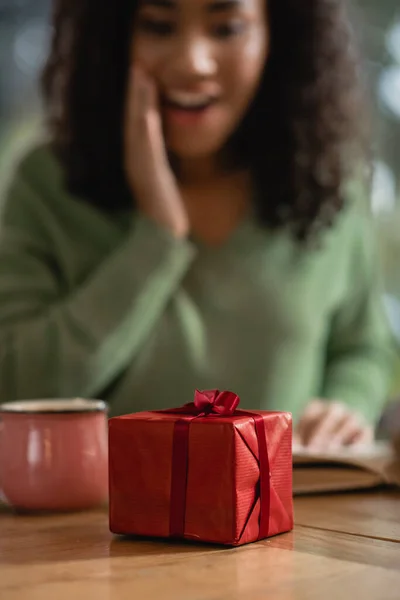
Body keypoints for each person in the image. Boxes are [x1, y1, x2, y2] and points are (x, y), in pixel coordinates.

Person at [0, 0, 394, 450]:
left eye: (226, 28)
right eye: (158, 26)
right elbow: (16, 386)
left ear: (278, 38)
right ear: (112, 36)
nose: (193, 62)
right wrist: (157, 236)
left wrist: (347, 407)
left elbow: (363, 349)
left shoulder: (324, 185)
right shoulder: (46, 184)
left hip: (291, 516)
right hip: (99, 520)